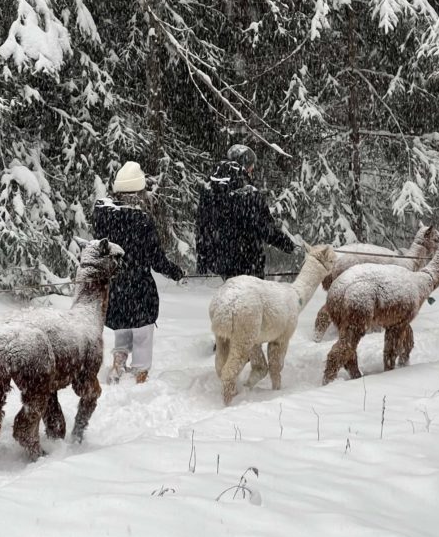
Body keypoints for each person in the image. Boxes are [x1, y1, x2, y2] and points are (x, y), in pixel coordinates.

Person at [93, 161, 185, 384]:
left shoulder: (102, 217)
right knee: (142, 334)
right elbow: (156, 259)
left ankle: (117, 366)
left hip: (115, 287)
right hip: (139, 288)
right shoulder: (142, 221)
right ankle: (139, 376)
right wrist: (176, 272)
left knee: (122, 330)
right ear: (138, 191)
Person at [195, 144, 295, 280]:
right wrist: (287, 244)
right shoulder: (249, 193)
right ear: (244, 164)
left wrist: (202, 256)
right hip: (249, 263)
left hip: (222, 262)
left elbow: (201, 225)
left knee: (233, 296)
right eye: (251, 166)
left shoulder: (210, 190)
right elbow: (265, 228)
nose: (252, 170)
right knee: (250, 300)